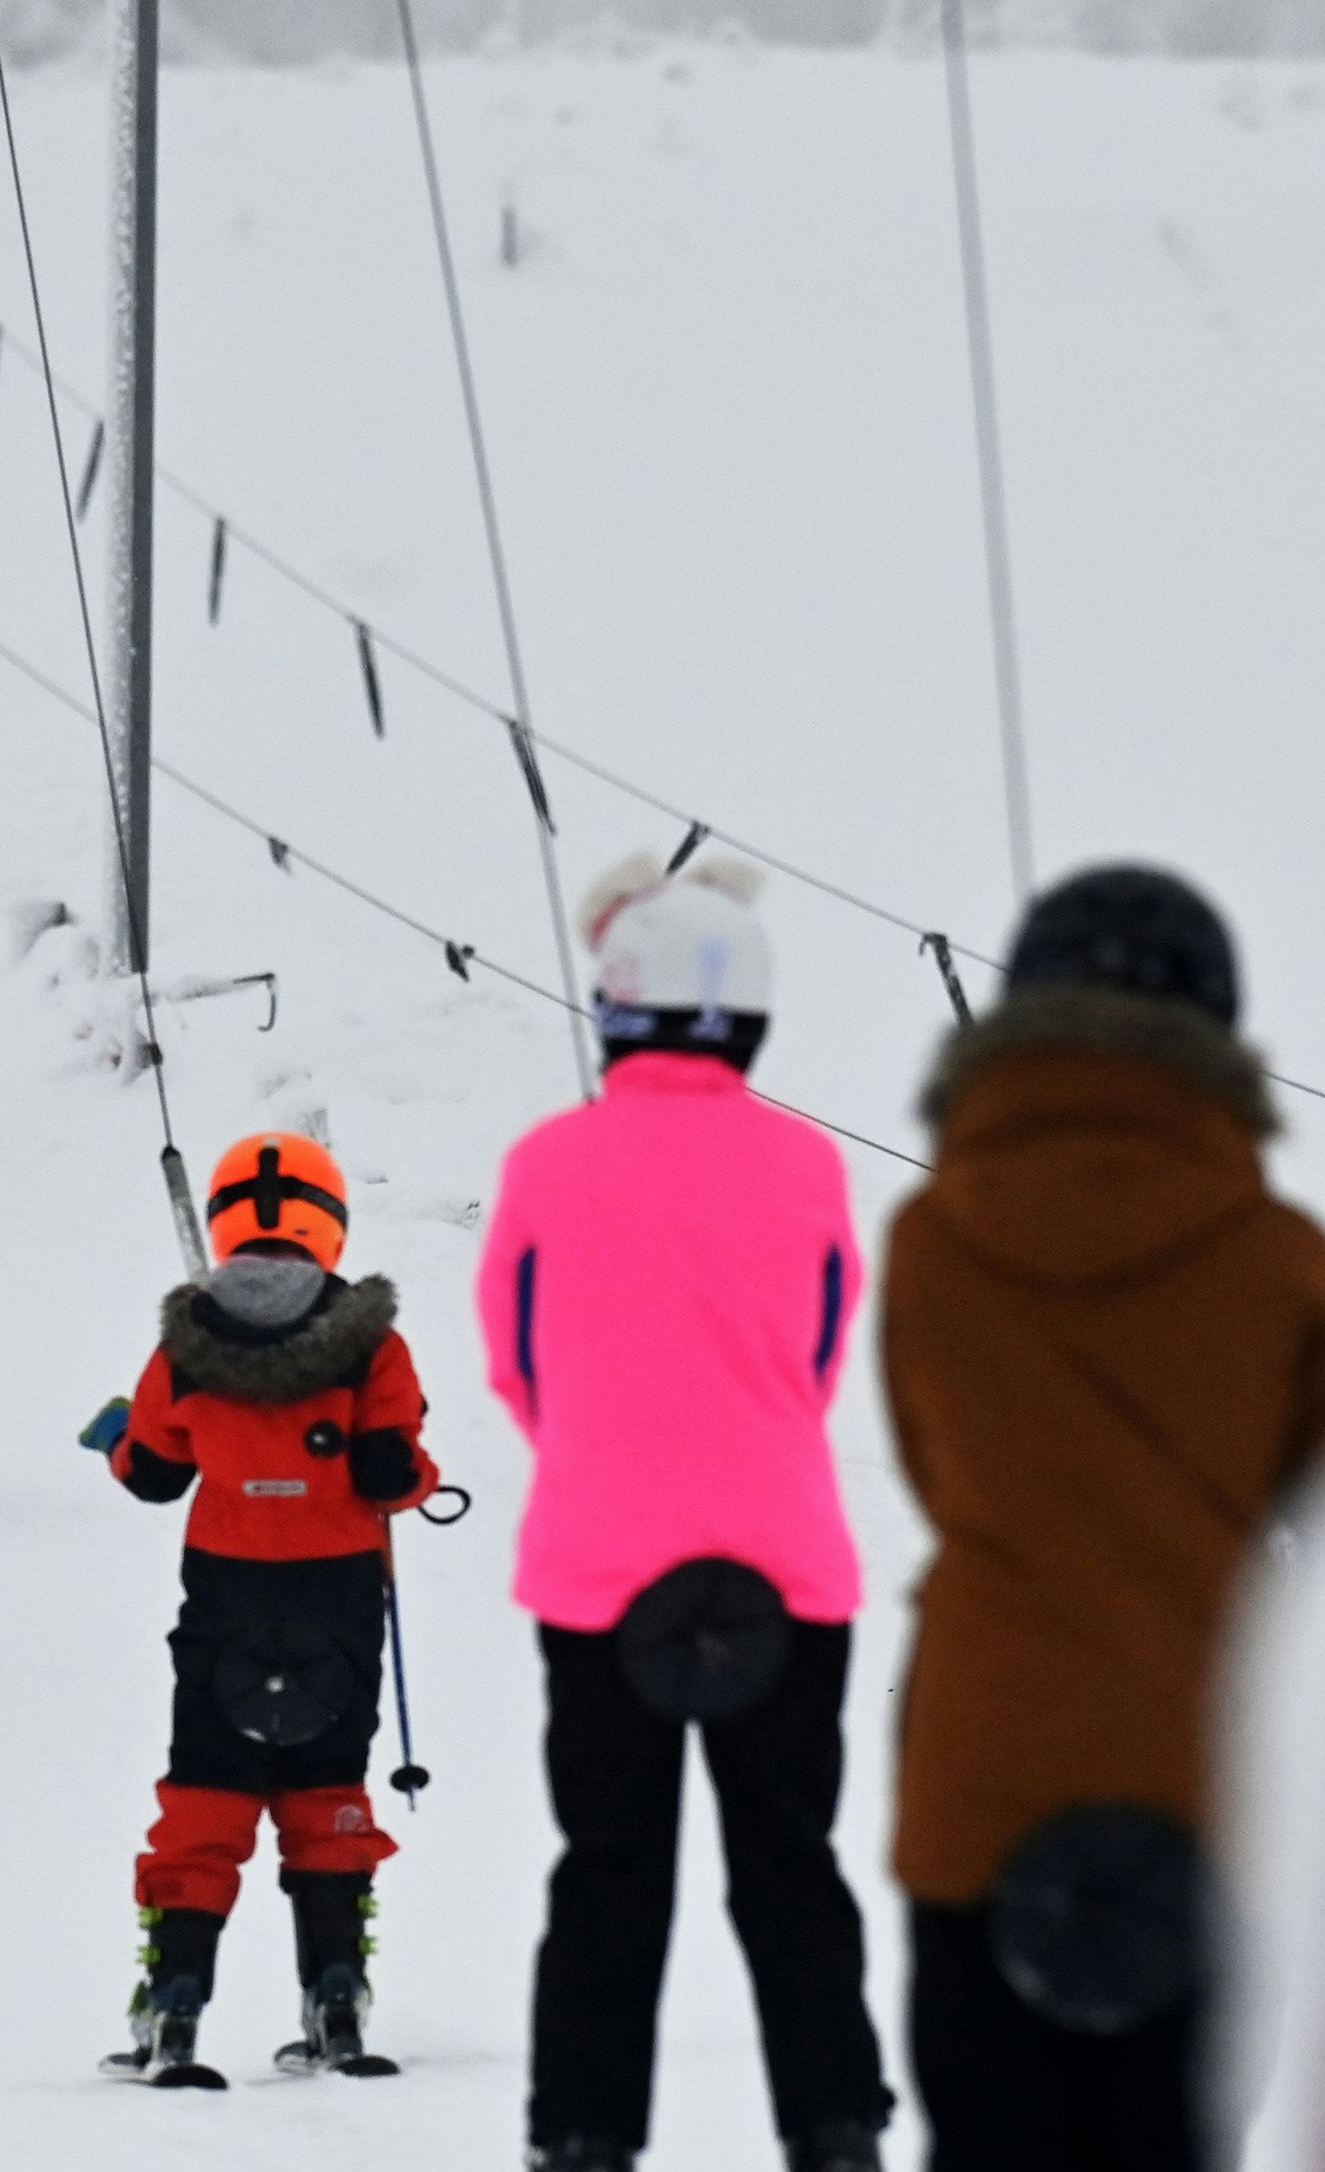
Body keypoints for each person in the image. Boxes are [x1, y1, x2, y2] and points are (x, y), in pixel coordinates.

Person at [880, 866, 1325, 2172]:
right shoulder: (1281, 1253)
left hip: (975, 1772)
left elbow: (936, 1467)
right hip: (1201, 1764)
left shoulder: (933, 1237)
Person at [477, 854, 893, 2172]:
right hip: (787, 1562)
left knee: (608, 1869)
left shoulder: (549, 1162)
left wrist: (605, 1453)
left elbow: (516, 1354)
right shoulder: (810, 1165)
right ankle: (834, 2129)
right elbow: (823, 1350)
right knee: (793, 1866)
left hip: (599, 1565)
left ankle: (585, 2137)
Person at [87, 1133, 440, 2087]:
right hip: (339, 1605)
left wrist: (121, 1434)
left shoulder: (189, 1340)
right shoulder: (373, 1340)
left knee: (207, 1796)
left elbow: (157, 1477)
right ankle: (336, 1998)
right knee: (327, 1794)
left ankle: (174, 2006)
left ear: (227, 1220)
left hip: (226, 1602)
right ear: (330, 1223)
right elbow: (391, 1471)